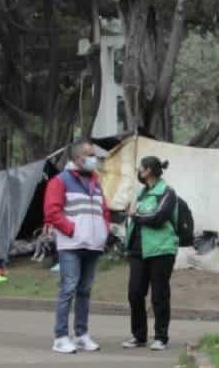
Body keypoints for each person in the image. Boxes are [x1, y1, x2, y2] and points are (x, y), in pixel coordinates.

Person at [43, 141, 110, 354]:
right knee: (68, 289)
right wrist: (72, 230)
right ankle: (61, 337)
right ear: (78, 158)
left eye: (94, 155)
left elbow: (104, 210)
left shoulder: (96, 182)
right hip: (71, 244)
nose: (94, 159)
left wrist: (103, 231)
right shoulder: (59, 181)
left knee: (85, 291)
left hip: (93, 243)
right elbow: (52, 212)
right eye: (89, 155)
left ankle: (81, 335)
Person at [122, 156, 178, 351]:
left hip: (161, 250)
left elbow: (159, 218)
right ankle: (139, 336)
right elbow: (131, 216)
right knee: (134, 293)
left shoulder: (167, 192)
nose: (139, 171)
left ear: (148, 171)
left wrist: (135, 215)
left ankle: (161, 337)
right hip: (138, 251)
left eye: (141, 168)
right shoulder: (141, 193)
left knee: (159, 295)